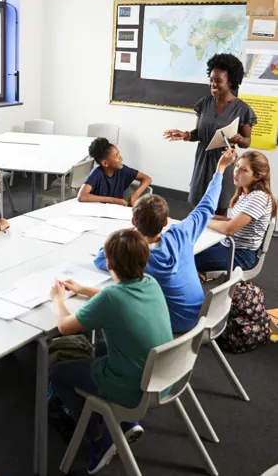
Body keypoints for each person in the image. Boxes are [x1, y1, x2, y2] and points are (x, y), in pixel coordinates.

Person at [49, 229, 173, 473]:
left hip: (135, 391)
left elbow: (64, 327)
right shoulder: (151, 282)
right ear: (145, 260)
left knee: (58, 374)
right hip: (165, 377)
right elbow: (116, 296)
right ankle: (125, 423)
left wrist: (57, 299)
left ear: (108, 263)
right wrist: (84, 289)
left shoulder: (111, 300)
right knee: (103, 346)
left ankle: (98, 438)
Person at [94, 149, 237, 334]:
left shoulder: (133, 256)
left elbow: (100, 260)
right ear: (166, 222)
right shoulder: (182, 233)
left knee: (119, 306)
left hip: (172, 324)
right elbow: (207, 206)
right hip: (200, 314)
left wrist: (121, 236)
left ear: (133, 222)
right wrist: (220, 168)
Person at [164, 53, 257, 215]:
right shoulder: (204, 103)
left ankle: (216, 241)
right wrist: (185, 135)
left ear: (231, 81)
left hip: (225, 161)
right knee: (198, 208)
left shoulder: (242, 109)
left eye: (218, 81)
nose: (213, 84)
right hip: (202, 160)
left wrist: (240, 139)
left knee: (220, 209)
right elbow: (199, 133)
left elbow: (247, 141)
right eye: (211, 80)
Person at [196, 151, 276, 273]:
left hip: (241, 255)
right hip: (228, 244)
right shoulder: (245, 192)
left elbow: (229, 228)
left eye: (243, 169)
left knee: (187, 257)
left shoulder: (259, 197)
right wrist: (212, 218)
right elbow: (235, 222)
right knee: (189, 247)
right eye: (237, 166)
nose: (236, 172)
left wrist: (203, 220)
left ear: (257, 176)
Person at [78, 138, 152, 206]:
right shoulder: (97, 173)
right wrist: (112, 200)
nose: (121, 158)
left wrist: (136, 194)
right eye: (116, 155)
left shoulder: (122, 170)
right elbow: (82, 196)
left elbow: (147, 179)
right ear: (105, 163)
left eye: (118, 153)